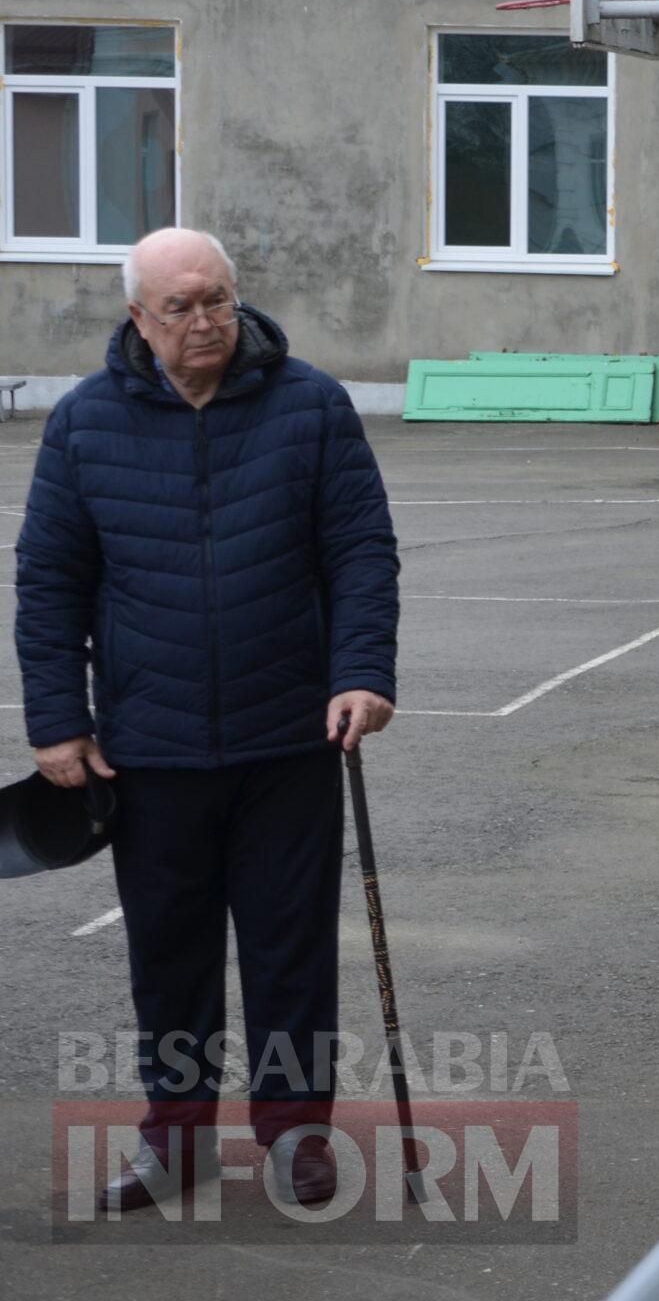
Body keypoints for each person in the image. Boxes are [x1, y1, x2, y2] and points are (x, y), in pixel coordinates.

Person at [16, 227, 400, 1210]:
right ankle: (175, 1139)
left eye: (219, 299)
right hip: (150, 749)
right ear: (138, 316)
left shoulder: (310, 404)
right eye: (181, 306)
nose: (206, 322)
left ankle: (295, 1135)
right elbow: (51, 582)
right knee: (170, 958)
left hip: (290, 742)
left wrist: (361, 672)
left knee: (291, 949)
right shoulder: (85, 422)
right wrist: (58, 721)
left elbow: (360, 549)